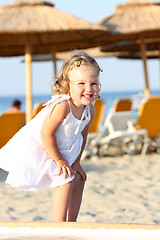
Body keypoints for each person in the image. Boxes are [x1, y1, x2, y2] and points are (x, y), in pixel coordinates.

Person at [0, 50, 102, 222]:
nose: (88, 88)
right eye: (81, 83)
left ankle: (72, 223)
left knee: (79, 178)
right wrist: (60, 161)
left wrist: (76, 163)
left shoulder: (89, 109)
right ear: (67, 85)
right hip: (42, 146)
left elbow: (82, 137)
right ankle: (59, 225)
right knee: (66, 179)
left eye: (94, 83)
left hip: (64, 147)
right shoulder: (62, 106)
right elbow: (46, 134)